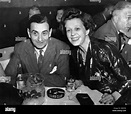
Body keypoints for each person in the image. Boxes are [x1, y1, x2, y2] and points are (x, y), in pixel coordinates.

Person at [62, 7, 131, 105]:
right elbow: (96, 76)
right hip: (99, 97)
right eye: (68, 30)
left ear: (87, 30)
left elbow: (128, 79)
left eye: (77, 29)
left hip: (121, 101)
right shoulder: (75, 53)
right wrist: (83, 82)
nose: (72, 34)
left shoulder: (104, 49)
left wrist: (114, 96)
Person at [5, 14, 70, 87]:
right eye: (35, 33)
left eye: (44, 33)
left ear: (50, 32)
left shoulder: (62, 48)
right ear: (29, 33)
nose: (40, 39)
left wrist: (30, 78)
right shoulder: (20, 48)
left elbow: (64, 80)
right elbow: (8, 77)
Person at [93, 1, 131, 65]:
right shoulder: (107, 35)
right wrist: (129, 42)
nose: (130, 22)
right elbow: (116, 62)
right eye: (128, 18)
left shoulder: (115, 28)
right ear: (116, 19)